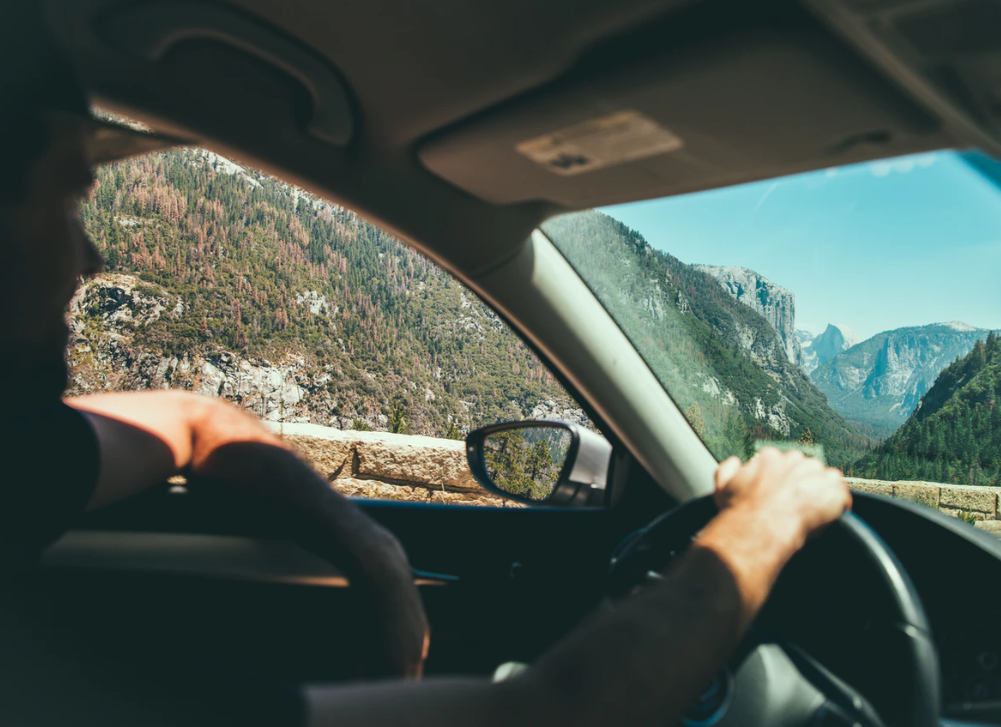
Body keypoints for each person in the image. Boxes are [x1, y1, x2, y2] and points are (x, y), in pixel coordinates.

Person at [0, 4, 852, 726]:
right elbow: (554, 711)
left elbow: (197, 419)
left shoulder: (22, 457)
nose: (88, 255)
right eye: (68, 198)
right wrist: (766, 518)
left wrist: (374, 550)